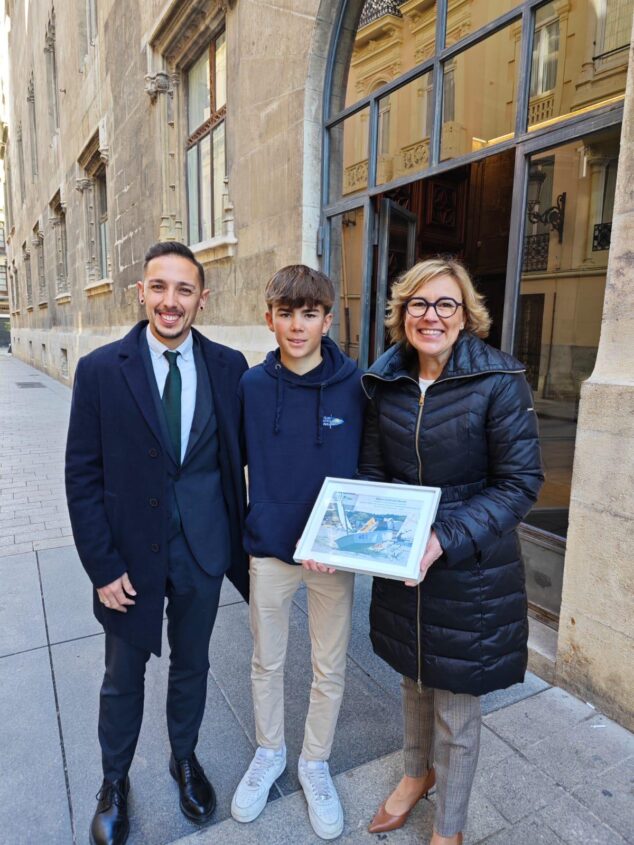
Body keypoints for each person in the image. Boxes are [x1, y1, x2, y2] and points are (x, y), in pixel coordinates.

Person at [65, 241, 249, 845]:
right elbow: (83, 475)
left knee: (193, 665)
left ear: (201, 297)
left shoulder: (229, 367)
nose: (171, 302)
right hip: (128, 559)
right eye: (160, 288)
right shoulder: (98, 371)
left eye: (184, 289)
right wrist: (101, 564)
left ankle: (184, 758)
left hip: (203, 550)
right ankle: (114, 781)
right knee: (123, 675)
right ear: (141, 292)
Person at [359, 257, 543, 845]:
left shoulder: (499, 381)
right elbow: (371, 471)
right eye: (418, 303)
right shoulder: (384, 381)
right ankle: (416, 773)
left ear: (466, 316)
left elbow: (519, 484)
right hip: (404, 562)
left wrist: (441, 538)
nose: (431, 316)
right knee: (413, 678)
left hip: (471, 570)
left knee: (457, 705)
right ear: (402, 314)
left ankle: (450, 829)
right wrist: (376, 532)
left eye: (445, 304)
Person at [231, 265, 366, 840]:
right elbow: (233, 463)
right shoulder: (252, 387)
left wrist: (351, 540)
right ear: (270, 319)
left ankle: (314, 761)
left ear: (328, 319)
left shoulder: (355, 386)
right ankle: (270, 753)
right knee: (267, 662)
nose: (296, 325)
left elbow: (368, 472)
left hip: (330, 559)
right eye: (285, 313)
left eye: (309, 313)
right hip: (269, 552)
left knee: (328, 667)